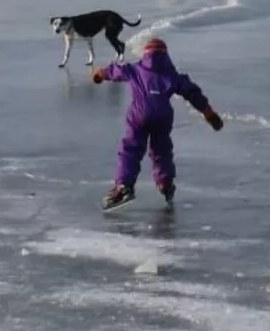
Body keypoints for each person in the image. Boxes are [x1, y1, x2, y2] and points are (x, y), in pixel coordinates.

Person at [93, 37, 222, 210]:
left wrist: (99, 73)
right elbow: (192, 92)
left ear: (146, 54)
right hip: (163, 116)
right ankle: (165, 183)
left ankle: (124, 186)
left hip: (139, 114)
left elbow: (114, 71)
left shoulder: (136, 68)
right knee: (161, 149)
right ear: (165, 55)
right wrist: (209, 113)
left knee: (131, 148)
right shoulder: (172, 75)